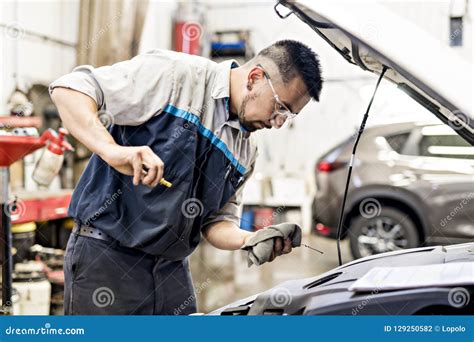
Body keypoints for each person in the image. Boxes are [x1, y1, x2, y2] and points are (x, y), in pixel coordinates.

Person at [50, 39, 323, 315]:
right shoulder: (175, 76)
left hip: (171, 272)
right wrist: (113, 151)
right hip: (107, 259)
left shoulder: (246, 151)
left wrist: (248, 239)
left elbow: (216, 222)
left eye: (288, 116)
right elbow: (70, 89)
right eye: (280, 108)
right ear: (254, 78)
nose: (278, 123)